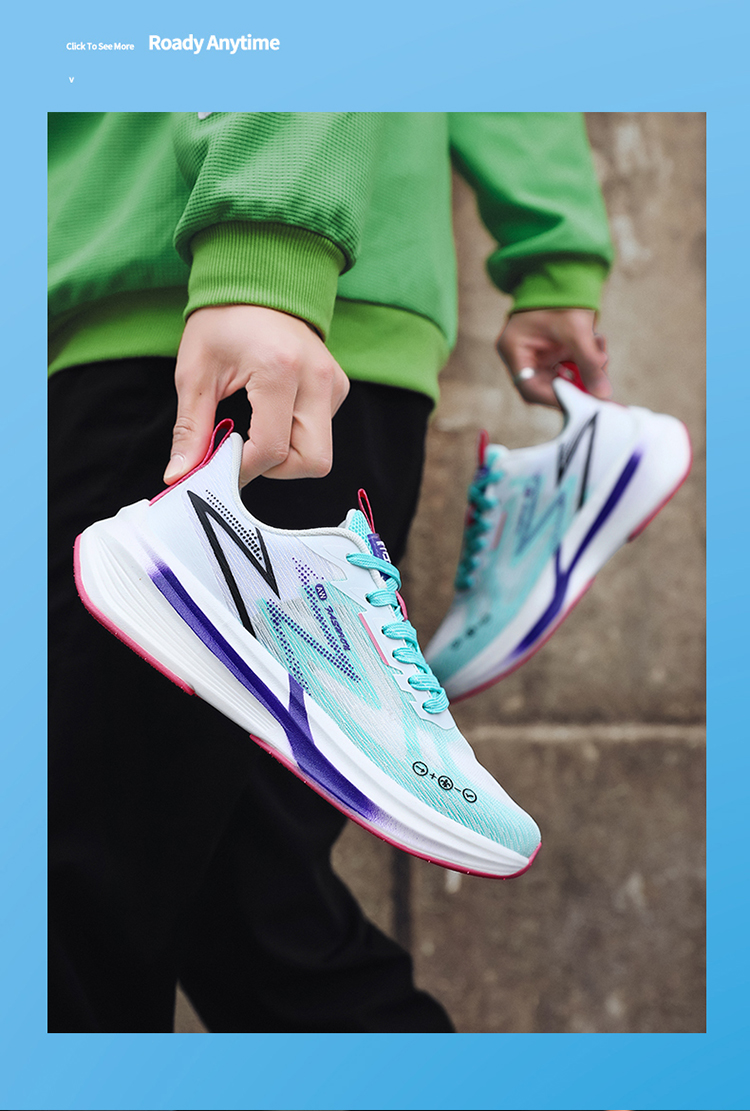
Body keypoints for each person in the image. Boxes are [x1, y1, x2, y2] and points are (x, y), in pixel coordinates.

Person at [48, 112, 613, 1032]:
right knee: (255, 913)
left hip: (203, 312)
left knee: (70, 890)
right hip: (308, 317)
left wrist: (266, 252)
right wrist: (554, 250)